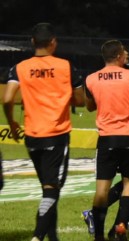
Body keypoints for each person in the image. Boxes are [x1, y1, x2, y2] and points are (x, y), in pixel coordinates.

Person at [2, 22, 85, 241]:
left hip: (32, 135)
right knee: (52, 190)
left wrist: (11, 122)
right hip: (56, 135)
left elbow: (8, 98)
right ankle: (38, 236)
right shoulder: (65, 66)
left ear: (32, 42)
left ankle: (52, 238)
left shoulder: (19, 67)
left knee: (48, 188)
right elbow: (80, 99)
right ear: (53, 42)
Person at [85, 39, 129, 241]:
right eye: (124, 53)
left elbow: (89, 106)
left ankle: (98, 235)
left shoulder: (91, 79)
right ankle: (120, 227)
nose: (126, 56)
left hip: (106, 138)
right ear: (118, 56)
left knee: (102, 189)